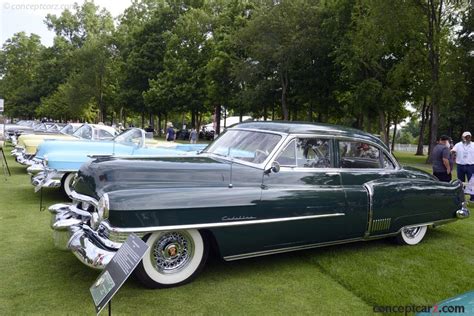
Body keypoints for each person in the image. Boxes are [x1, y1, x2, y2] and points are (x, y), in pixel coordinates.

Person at [452, 131, 474, 202]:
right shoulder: (458, 145)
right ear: (463, 137)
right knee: (460, 182)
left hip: (471, 166)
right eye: (466, 137)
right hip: (460, 166)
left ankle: (472, 198)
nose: (468, 138)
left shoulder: (473, 145)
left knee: (472, 182)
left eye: (469, 137)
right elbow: (452, 151)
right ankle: (461, 198)